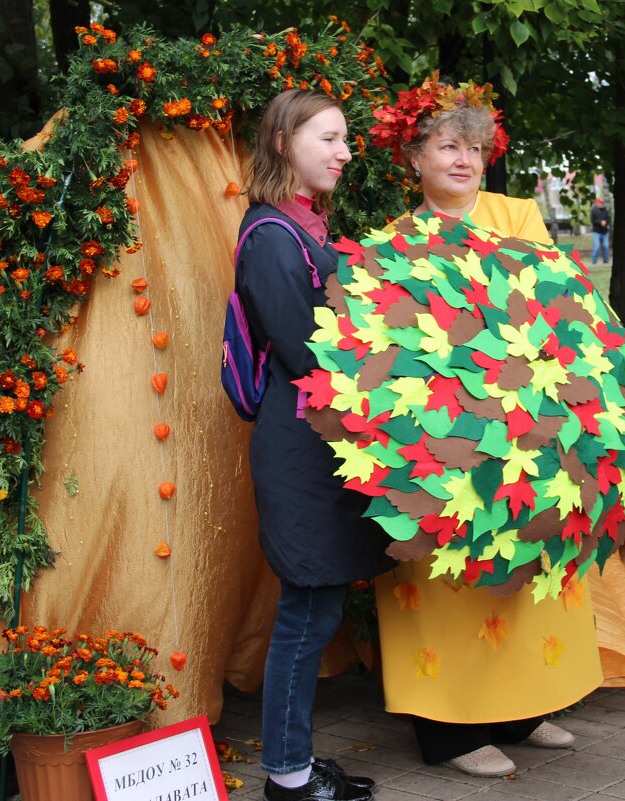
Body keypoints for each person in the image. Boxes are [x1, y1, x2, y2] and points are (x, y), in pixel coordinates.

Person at [368, 75, 604, 778]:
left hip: (529, 426)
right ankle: (446, 730)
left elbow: (556, 304)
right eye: (447, 145)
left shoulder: (519, 215)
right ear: (415, 157)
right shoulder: (391, 242)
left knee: (524, 572)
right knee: (448, 583)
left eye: (473, 145)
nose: (463, 158)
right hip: (442, 440)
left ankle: (522, 707)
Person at [235, 89, 395, 801]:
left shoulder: (305, 228)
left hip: (321, 442)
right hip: (300, 447)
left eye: (346, 139)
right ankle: (288, 779)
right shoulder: (273, 236)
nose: (344, 151)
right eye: (329, 138)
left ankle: (293, 762)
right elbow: (307, 353)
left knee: (319, 606)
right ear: (282, 142)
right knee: (305, 614)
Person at [590, 196, 611, 264]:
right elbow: (593, 220)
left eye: (602, 203)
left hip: (604, 232)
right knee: (596, 246)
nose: (602, 204)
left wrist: (606, 222)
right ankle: (594, 260)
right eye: (600, 203)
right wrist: (600, 222)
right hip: (597, 232)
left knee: (606, 246)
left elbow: (608, 219)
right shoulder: (594, 210)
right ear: (597, 203)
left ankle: (606, 260)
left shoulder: (605, 210)